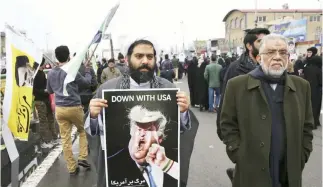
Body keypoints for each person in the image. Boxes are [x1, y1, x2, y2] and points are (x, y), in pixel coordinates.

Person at [84, 39, 192, 187]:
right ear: (128, 60)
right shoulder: (108, 89)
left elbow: (180, 130)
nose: (145, 61)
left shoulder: (168, 87)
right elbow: (94, 131)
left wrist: (183, 112)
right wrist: (94, 116)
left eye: (149, 56)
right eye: (139, 56)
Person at [220, 34, 314, 187]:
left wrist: (302, 155)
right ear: (259, 58)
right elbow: (227, 125)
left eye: (283, 52)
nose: (277, 57)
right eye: (270, 52)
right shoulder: (237, 86)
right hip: (250, 170)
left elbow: (308, 126)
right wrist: (239, 154)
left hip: (288, 171)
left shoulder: (302, 86)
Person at [217, 28, 270, 181]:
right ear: (249, 46)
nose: (265, 44)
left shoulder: (272, 67)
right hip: (245, 130)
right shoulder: (236, 69)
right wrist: (233, 145)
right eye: (260, 41)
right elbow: (226, 102)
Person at [47, 45, 92, 175]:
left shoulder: (51, 73)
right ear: (68, 56)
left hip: (60, 109)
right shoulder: (71, 70)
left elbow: (49, 90)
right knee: (83, 131)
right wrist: (87, 70)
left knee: (65, 138)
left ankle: (72, 167)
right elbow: (85, 83)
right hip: (74, 106)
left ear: (56, 57)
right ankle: (82, 157)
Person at [108, 105, 179, 186]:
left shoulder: (173, 160)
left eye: (148, 130)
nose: (142, 134)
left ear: (159, 138)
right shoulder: (110, 165)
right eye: (138, 129)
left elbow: (184, 180)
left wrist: (166, 164)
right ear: (131, 132)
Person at [33, 58, 59, 149]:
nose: (45, 65)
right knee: (43, 121)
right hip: (40, 100)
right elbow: (34, 90)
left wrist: (47, 90)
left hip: (46, 99)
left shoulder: (42, 73)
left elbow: (45, 85)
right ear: (41, 64)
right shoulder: (35, 74)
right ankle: (45, 141)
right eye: (44, 64)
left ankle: (54, 138)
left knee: (51, 118)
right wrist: (44, 91)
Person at [303, 55, 322, 129]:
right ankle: (315, 122)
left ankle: (309, 122)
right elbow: (321, 82)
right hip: (316, 91)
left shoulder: (307, 69)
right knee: (316, 106)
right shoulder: (318, 70)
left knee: (308, 106)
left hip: (308, 89)